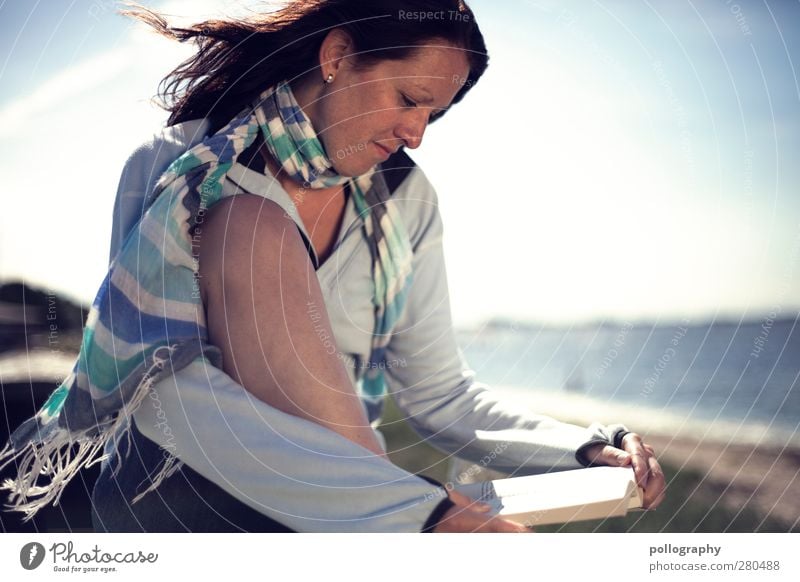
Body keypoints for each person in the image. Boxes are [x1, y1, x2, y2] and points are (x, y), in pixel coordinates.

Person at [1, 0, 665, 533]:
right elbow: (168, 392)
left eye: (434, 113)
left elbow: (439, 396)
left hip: (350, 500)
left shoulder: (407, 200)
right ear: (338, 55)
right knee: (249, 226)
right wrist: (404, 509)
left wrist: (584, 447)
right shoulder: (182, 166)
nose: (417, 133)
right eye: (409, 98)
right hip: (180, 492)